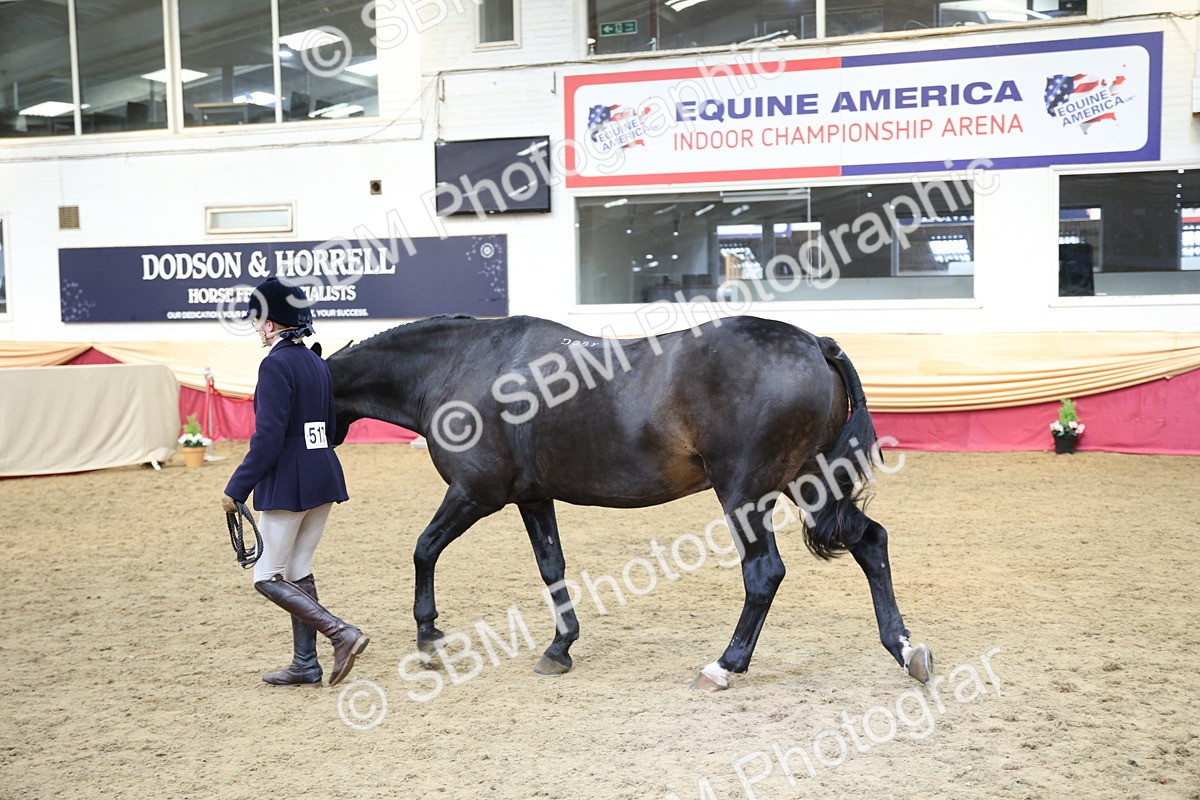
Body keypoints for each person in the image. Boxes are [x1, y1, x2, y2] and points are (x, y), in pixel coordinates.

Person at [220, 277, 368, 687]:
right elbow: (331, 427)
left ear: (271, 323)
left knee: (266, 576)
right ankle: (305, 663)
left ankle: (341, 633)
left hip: (290, 482)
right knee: (297, 569)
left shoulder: (275, 365)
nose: (256, 328)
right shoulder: (316, 362)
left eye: (257, 320)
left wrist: (236, 487)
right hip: (323, 476)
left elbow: (268, 438)